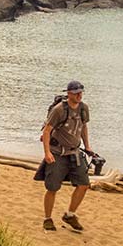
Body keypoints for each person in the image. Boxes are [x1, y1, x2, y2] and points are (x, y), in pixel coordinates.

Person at [36, 80, 92, 231]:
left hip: (75, 152)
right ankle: (47, 219)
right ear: (69, 93)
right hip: (57, 153)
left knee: (84, 184)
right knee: (53, 187)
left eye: (81, 92)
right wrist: (47, 152)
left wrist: (87, 147)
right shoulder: (59, 110)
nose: (79, 95)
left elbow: (83, 127)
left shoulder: (83, 109)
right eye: (76, 93)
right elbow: (47, 131)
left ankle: (70, 215)